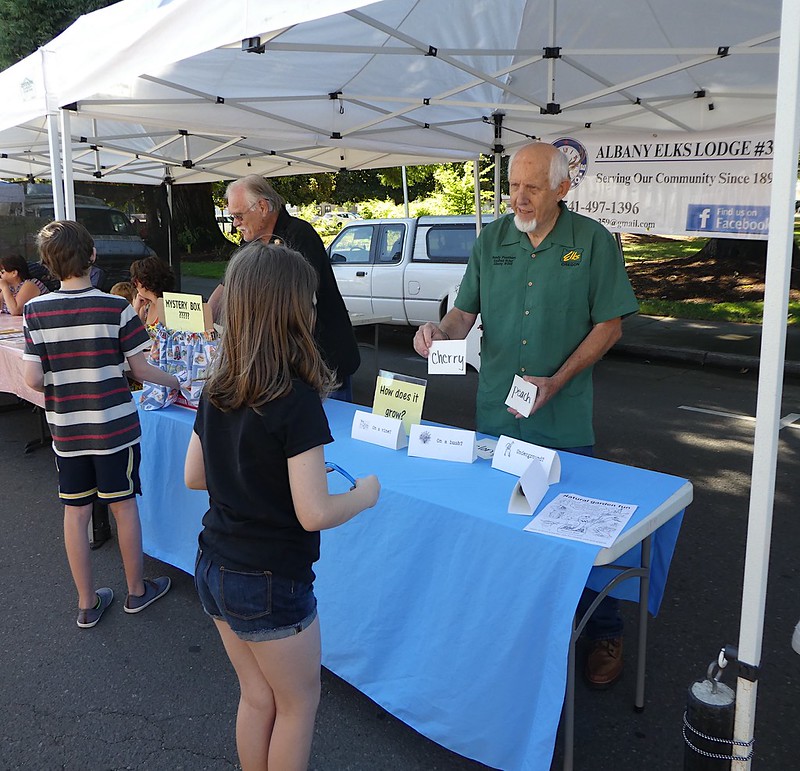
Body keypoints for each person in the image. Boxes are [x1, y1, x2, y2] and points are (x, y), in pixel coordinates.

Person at [413, 142, 640, 689]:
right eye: (512, 185)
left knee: (573, 536)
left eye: (532, 187)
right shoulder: (492, 240)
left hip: (561, 420)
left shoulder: (592, 242)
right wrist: (436, 334)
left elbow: (610, 325)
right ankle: (515, 626)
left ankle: (604, 628)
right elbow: (463, 315)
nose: (518, 197)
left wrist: (557, 381)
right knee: (503, 523)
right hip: (497, 414)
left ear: (563, 187)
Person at [185, 240, 380, 770]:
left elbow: (193, 475)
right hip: (270, 578)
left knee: (257, 696)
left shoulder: (215, 386)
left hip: (213, 564)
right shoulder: (295, 402)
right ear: (295, 311)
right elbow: (314, 512)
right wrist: (362, 497)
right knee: (298, 704)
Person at [22, 221, 181, 629]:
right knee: (123, 506)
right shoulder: (116, 308)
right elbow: (141, 370)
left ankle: (86, 603)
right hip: (114, 428)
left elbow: (32, 380)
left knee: (75, 513)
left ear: (47, 265)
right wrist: (179, 380)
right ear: (91, 256)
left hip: (67, 432)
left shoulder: (35, 311)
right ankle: (136, 591)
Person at [208, 175, 359, 400]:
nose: (234, 224)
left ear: (262, 206)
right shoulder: (250, 241)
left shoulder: (300, 235)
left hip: (322, 360)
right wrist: (203, 319)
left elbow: (299, 303)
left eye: (238, 216)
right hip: (280, 365)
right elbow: (227, 284)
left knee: (329, 428)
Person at [130, 255, 175, 328]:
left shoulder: (170, 308)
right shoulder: (146, 307)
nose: (135, 284)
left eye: (136, 280)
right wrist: (136, 308)